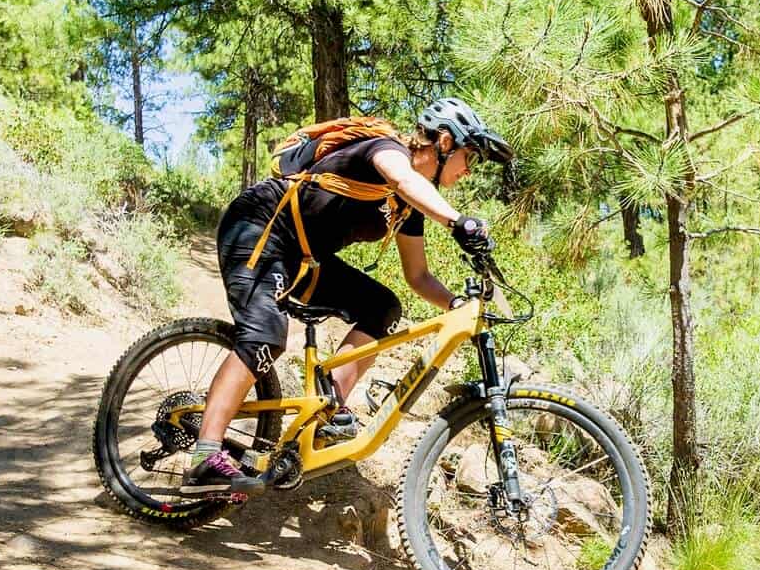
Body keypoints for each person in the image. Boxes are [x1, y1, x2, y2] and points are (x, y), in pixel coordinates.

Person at [180, 98, 514, 497]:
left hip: (302, 257)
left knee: (381, 307)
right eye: (468, 157)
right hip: (258, 229)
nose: (468, 170)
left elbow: (418, 276)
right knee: (267, 334)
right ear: (444, 142)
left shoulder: (409, 208)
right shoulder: (386, 151)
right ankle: (205, 455)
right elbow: (404, 179)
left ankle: (327, 407)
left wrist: (456, 305)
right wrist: (458, 221)